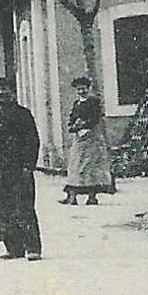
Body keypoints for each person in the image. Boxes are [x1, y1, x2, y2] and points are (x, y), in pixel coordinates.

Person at [0, 77, 42, 261]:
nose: (1, 93)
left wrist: (28, 166)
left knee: (24, 208)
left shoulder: (23, 115)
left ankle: (33, 248)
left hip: (19, 170)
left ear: (12, 92)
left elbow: (32, 142)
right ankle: (14, 248)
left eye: (5, 89)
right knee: (4, 210)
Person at [62, 76, 115, 205]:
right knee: (75, 166)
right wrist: (73, 126)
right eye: (79, 90)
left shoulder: (94, 102)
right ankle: (72, 197)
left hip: (92, 139)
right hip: (79, 140)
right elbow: (71, 119)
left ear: (88, 89)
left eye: (84, 89)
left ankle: (92, 197)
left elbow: (95, 119)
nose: (81, 92)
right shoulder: (76, 104)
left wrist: (84, 124)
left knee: (90, 167)